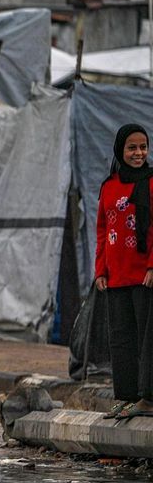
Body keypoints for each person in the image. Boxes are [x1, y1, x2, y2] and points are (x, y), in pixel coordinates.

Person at [96, 124, 153, 419]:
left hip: (144, 276)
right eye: (132, 148)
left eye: (143, 147)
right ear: (120, 150)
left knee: (148, 338)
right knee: (121, 339)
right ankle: (128, 397)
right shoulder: (109, 186)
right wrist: (100, 270)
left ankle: (149, 398)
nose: (138, 153)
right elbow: (102, 229)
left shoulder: (152, 182)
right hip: (116, 276)